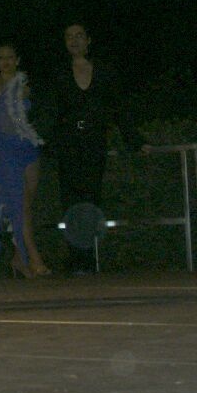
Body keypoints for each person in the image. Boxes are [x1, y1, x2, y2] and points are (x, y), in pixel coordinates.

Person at [51, 22, 149, 274]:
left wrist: (135, 140)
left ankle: (88, 257)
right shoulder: (59, 73)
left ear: (88, 40)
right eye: (69, 36)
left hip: (94, 141)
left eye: (79, 36)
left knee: (91, 198)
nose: (74, 40)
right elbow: (52, 112)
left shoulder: (104, 71)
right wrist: (45, 142)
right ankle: (76, 258)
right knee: (70, 201)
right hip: (69, 144)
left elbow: (118, 108)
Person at [0, 44, 51, 278]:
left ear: (17, 59)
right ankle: (34, 258)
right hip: (6, 149)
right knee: (19, 205)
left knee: (26, 206)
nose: (5, 62)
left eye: (10, 57)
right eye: (1, 58)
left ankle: (19, 258)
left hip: (28, 146)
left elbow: (33, 115)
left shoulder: (24, 84)